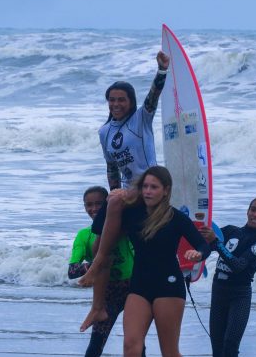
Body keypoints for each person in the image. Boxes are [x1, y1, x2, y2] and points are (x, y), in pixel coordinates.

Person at [79, 50, 170, 331]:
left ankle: (96, 267)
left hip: (147, 185)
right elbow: (112, 168)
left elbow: (154, 96)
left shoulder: (141, 120)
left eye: (122, 99)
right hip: (124, 192)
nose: (117, 104)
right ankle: (98, 308)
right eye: (112, 100)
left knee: (102, 247)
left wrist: (162, 71)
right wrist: (113, 193)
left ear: (130, 101)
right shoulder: (104, 131)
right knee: (97, 246)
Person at [120, 166, 211, 357]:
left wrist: (198, 255)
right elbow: (100, 225)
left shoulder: (176, 218)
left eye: (154, 187)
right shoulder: (132, 214)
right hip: (139, 286)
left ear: (166, 190)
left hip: (168, 286)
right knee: (130, 346)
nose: (148, 191)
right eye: (145, 186)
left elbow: (203, 246)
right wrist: (115, 197)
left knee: (169, 352)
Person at [199, 197, 256, 357]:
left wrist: (217, 243)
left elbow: (238, 265)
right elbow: (205, 246)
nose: (255, 214)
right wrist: (194, 261)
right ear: (247, 211)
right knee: (217, 348)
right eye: (253, 209)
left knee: (230, 346)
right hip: (218, 291)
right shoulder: (229, 231)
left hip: (239, 296)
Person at [68, 186, 137, 357]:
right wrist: (95, 265)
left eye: (99, 204)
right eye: (88, 205)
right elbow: (72, 270)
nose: (93, 209)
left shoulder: (127, 229)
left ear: (108, 204)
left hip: (135, 291)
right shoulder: (85, 235)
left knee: (135, 344)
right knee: (95, 346)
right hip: (108, 295)